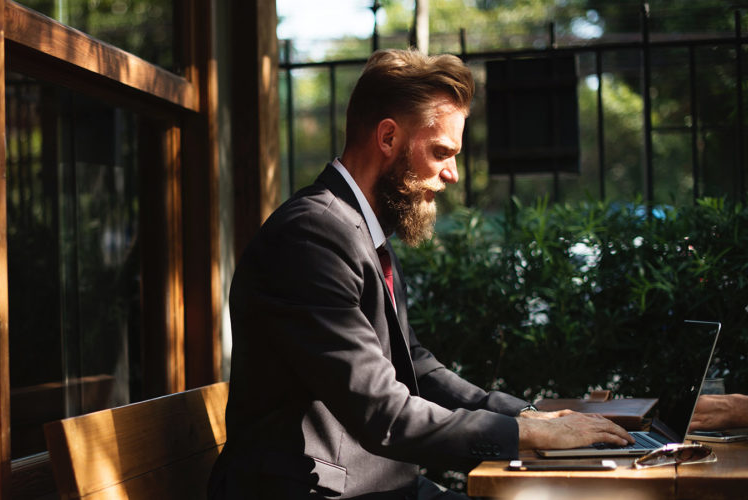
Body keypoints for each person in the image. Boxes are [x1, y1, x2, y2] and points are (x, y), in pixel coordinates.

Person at [207, 49, 632, 500]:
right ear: (388, 137)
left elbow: (417, 368)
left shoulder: (358, 228)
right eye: (441, 152)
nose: (452, 174)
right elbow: (383, 413)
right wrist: (528, 436)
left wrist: (525, 417)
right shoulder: (311, 237)